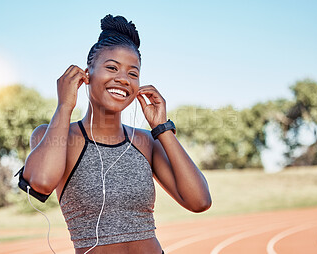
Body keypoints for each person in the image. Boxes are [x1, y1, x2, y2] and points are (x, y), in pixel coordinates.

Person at [17, 14, 211, 254]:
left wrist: (161, 128)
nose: (123, 79)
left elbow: (200, 201)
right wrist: (64, 106)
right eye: (111, 68)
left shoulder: (146, 141)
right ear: (86, 74)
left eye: (133, 73)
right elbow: (42, 183)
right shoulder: (54, 136)